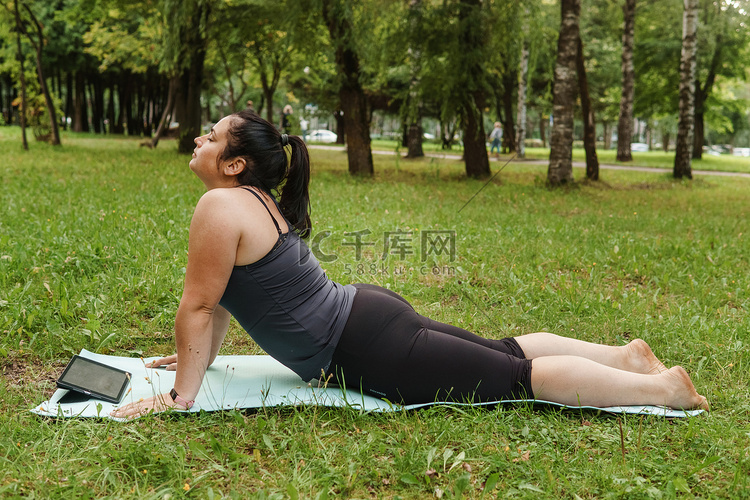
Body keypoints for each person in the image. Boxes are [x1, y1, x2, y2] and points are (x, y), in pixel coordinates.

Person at [111, 111, 708, 418]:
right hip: (369, 319)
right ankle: (625, 358)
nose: (198, 141)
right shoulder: (250, 201)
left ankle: (659, 389)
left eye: (210, 137)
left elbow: (200, 303)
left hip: (365, 346)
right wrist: (197, 362)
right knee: (505, 352)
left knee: (516, 382)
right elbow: (220, 300)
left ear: (236, 163)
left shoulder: (220, 204)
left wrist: (180, 397)